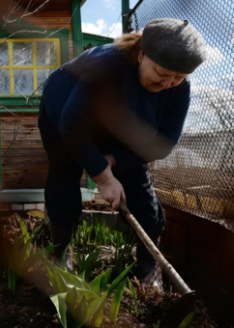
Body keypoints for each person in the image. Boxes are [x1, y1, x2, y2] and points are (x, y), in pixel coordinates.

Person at [38, 18, 207, 286]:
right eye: (162, 73)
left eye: (178, 77)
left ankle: (148, 268)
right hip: (66, 117)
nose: (167, 83)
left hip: (122, 131)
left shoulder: (179, 89)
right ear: (141, 54)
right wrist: (103, 176)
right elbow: (72, 125)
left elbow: (163, 142)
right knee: (65, 176)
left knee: (142, 197)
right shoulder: (107, 66)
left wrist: (117, 159)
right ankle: (60, 253)